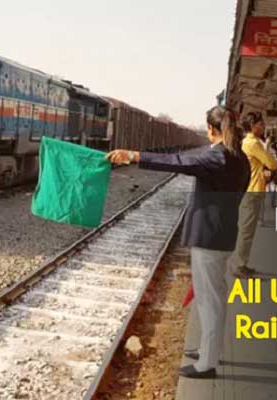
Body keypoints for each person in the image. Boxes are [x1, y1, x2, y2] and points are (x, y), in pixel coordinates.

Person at [106, 105, 250, 379]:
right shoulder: (239, 158)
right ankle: (210, 350)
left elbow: (178, 161)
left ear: (211, 129)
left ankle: (207, 364)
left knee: (210, 301)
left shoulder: (216, 158)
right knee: (215, 297)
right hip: (224, 234)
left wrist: (135, 156)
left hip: (209, 238)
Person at [229, 112, 277, 277]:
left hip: (250, 189)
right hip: (252, 191)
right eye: (261, 124)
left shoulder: (248, 142)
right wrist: (267, 151)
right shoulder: (253, 143)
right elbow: (272, 163)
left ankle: (240, 263)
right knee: (246, 231)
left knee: (245, 229)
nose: (263, 127)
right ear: (252, 125)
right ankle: (238, 266)